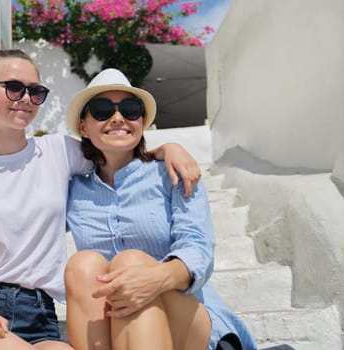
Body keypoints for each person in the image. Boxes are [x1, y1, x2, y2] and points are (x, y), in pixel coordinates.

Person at [0, 48, 201, 350]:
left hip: (39, 316)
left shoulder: (59, 151)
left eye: (36, 91)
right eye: (14, 88)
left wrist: (168, 148)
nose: (26, 99)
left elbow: (114, 147)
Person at [63, 68, 258, 350]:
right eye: (102, 109)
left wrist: (152, 280)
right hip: (110, 327)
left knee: (131, 262)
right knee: (82, 266)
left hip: (185, 319)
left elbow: (198, 249)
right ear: (84, 126)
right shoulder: (73, 189)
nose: (118, 117)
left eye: (130, 109)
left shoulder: (172, 172)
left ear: (140, 121)